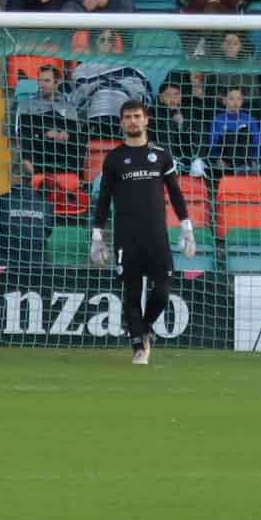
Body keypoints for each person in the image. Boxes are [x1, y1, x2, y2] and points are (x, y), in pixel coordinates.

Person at [88, 98, 195, 369]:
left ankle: (145, 328)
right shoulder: (113, 159)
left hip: (157, 236)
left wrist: (187, 228)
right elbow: (103, 200)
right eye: (128, 117)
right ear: (122, 122)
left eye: (137, 116)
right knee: (132, 293)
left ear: (146, 119)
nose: (133, 121)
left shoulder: (161, 155)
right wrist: (97, 236)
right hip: (127, 237)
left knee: (162, 291)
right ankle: (138, 346)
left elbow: (175, 193)